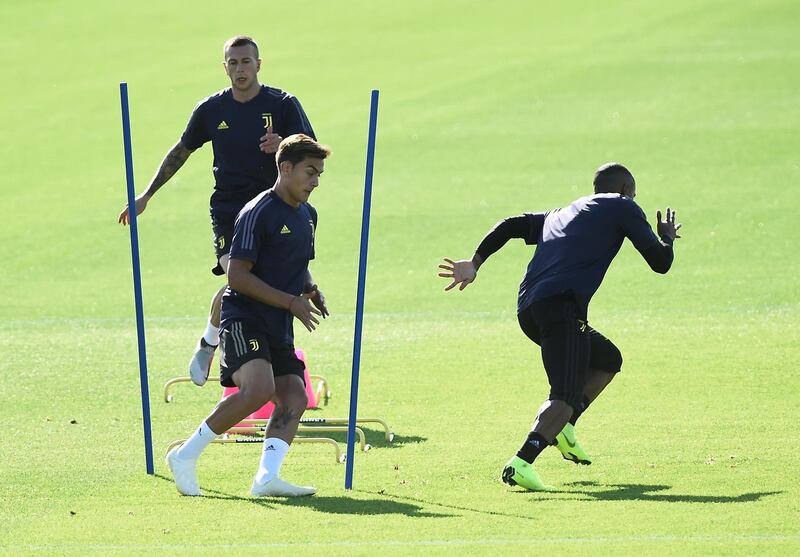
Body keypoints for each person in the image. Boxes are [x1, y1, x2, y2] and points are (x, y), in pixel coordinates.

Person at [438, 163, 682, 491]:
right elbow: (660, 264)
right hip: (561, 308)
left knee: (608, 359)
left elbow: (511, 225)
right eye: (634, 194)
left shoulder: (562, 213)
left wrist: (475, 261)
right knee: (563, 395)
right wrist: (666, 238)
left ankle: (565, 426)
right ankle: (522, 461)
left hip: (530, 309)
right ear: (624, 189)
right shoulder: (622, 206)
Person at [118, 35, 316, 386]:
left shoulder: (283, 104)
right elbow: (181, 151)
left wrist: (282, 144)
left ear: (259, 64)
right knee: (237, 280)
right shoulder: (211, 110)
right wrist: (146, 195)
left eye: (246, 61)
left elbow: (310, 152)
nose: (240, 69)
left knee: (264, 282)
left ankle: (259, 362)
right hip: (230, 211)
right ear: (224, 66)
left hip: (274, 208)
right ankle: (210, 344)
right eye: (233, 62)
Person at [166, 134, 331, 497]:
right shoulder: (258, 212)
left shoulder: (308, 215)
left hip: (278, 323)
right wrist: (290, 302)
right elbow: (236, 276)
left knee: (295, 397)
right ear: (285, 169)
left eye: (319, 173)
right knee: (258, 389)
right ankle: (184, 455)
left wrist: (311, 290)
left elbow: (297, 265)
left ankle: (266, 479)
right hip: (244, 317)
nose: (316, 180)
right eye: (310, 171)